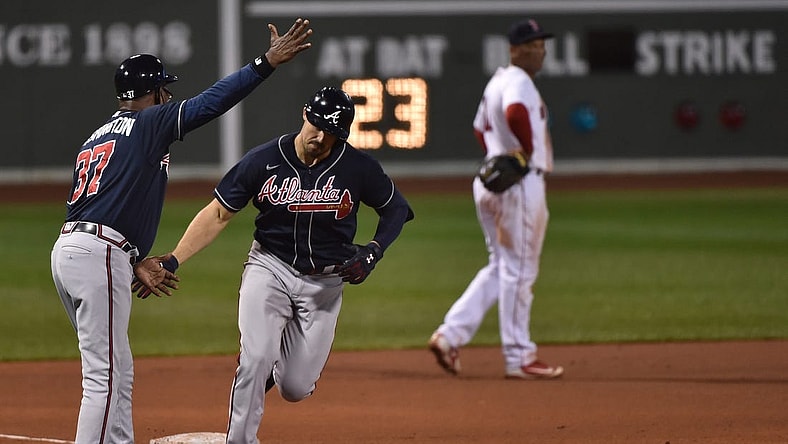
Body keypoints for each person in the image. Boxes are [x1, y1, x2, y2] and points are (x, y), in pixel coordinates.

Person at [49, 18, 313, 443]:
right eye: (164, 90)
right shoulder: (148, 124)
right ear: (151, 94)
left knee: (117, 370)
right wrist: (265, 63)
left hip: (71, 248)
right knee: (104, 375)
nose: (169, 97)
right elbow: (211, 103)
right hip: (98, 252)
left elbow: (100, 202)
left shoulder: (97, 135)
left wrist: (132, 259)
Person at [134, 86, 414, 443]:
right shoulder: (265, 159)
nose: (320, 136)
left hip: (325, 285)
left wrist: (373, 250)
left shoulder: (357, 167)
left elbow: (396, 208)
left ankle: (276, 363)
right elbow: (218, 213)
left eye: (331, 132)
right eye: (316, 125)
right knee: (253, 361)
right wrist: (174, 258)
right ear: (304, 114)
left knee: (295, 388)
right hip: (270, 268)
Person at [428, 18, 563, 380]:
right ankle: (519, 356)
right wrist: (524, 152)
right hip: (518, 184)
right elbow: (515, 113)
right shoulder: (519, 82)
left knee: (501, 265)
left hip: (491, 181)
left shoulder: (497, 80)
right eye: (533, 45)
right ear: (515, 49)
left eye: (542, 44)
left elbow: (478, 128)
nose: (541, 50)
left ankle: (449, 335)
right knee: (519, 270)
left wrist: (498, 152)